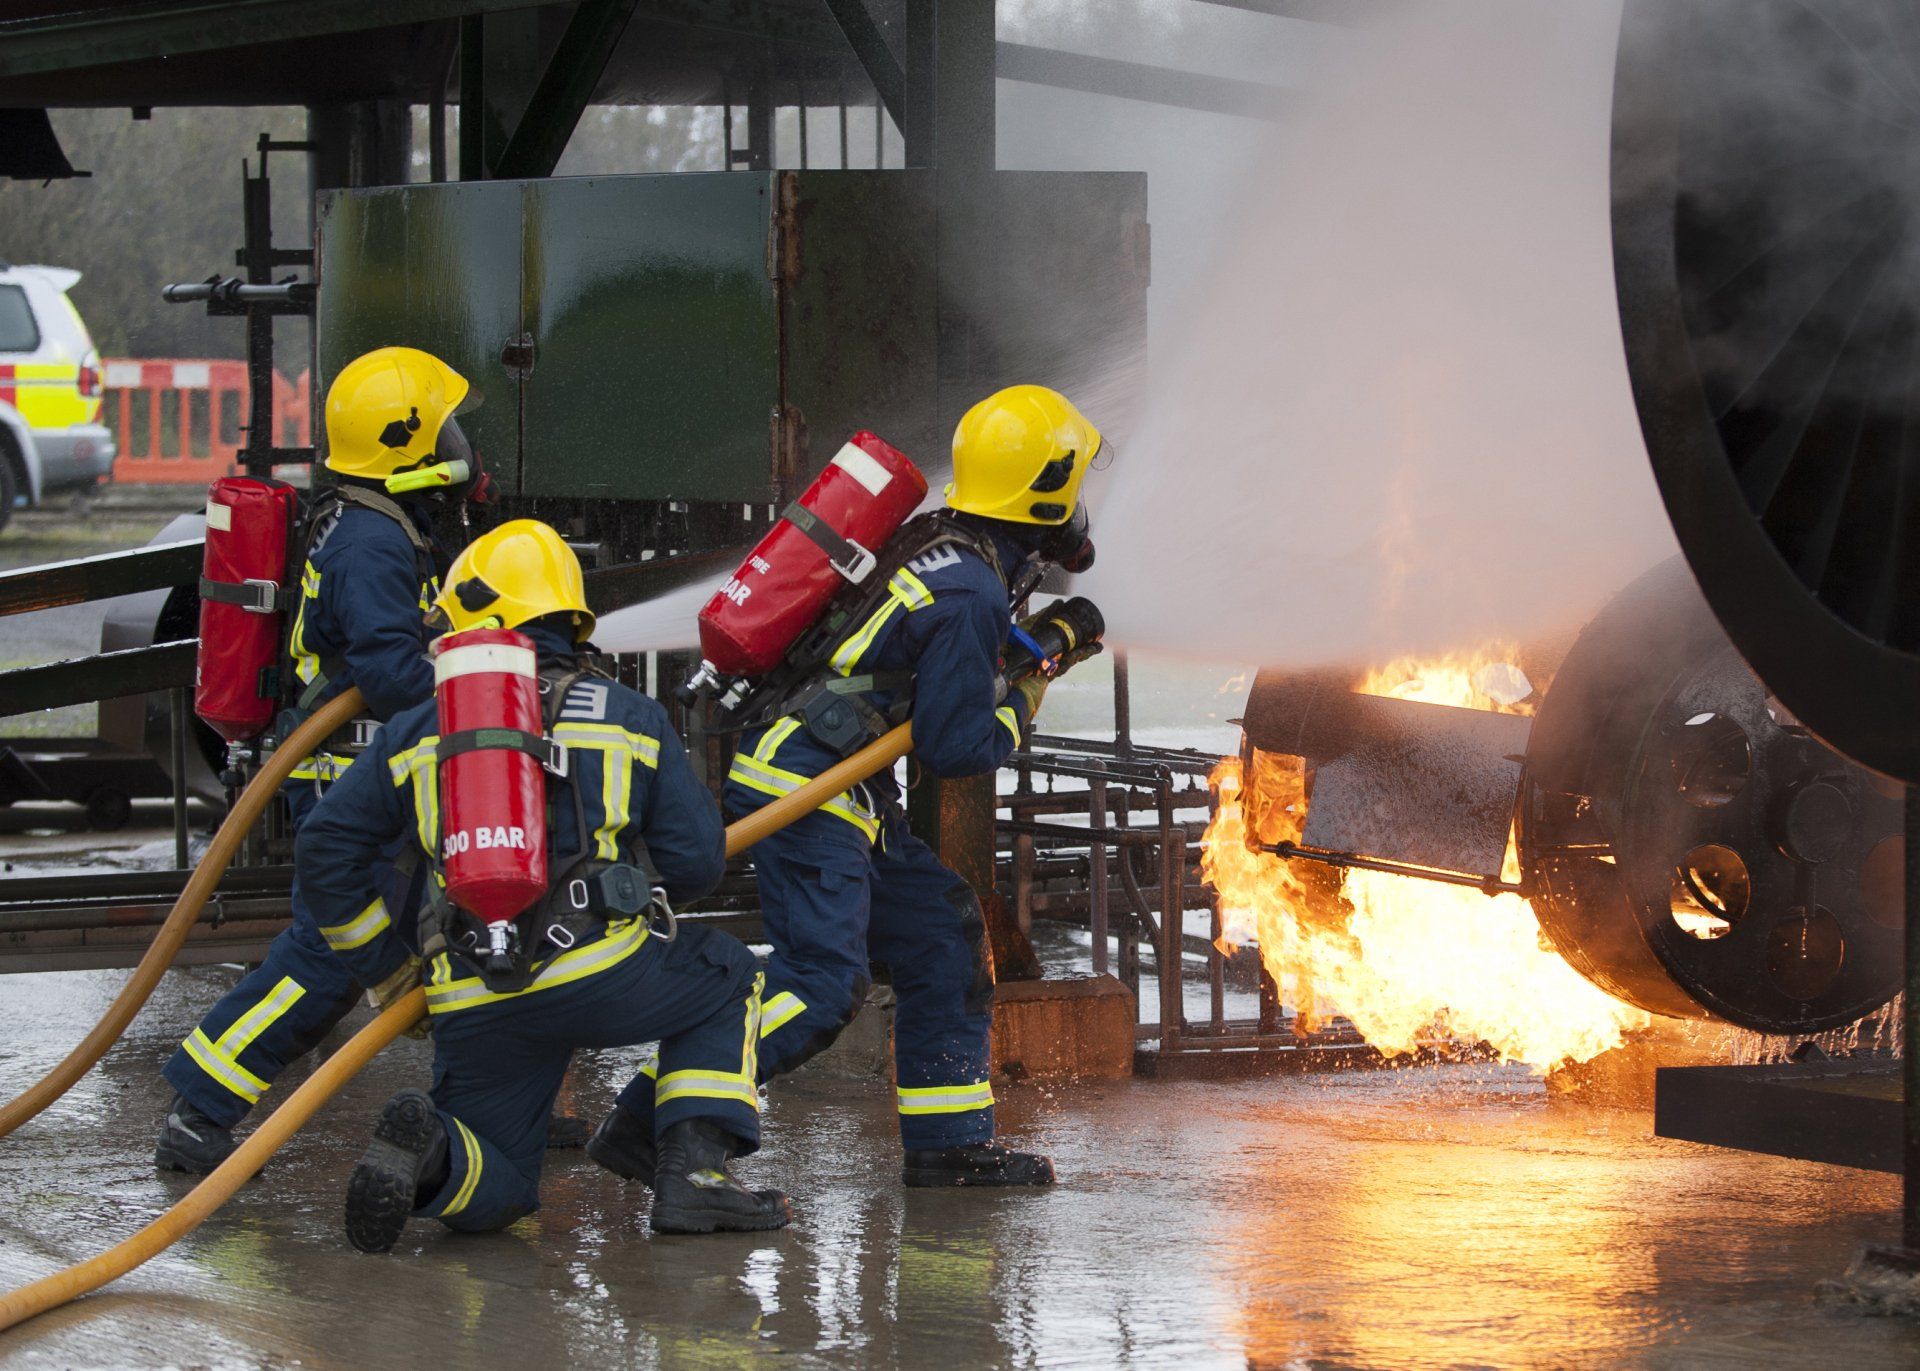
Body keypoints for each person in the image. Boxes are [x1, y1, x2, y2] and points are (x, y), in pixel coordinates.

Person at [586, 384, 1104, 1190]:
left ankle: (948, 1142)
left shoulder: (948, 545)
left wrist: (1028, 645)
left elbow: (932, 664)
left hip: (840, 787)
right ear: (1044, 495)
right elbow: (958, 742)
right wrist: (1041, 676)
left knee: (940, 931)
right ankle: (652, 1113)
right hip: (808, 787)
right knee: (823, 987)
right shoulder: (970, 585)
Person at [301, 520, 786, 1251]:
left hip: (472, 993)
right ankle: (695, 1176)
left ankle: (435, 1155)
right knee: (726, 972)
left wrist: (392, 970)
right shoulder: (631, 716)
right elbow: (698, 863)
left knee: (500, 1187)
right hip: (605, 975)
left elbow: (325, 844)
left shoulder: (419, 727)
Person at [156, 346, 484, 1173]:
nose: (458, 438)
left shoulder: (361, 518)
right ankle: (202, 1103)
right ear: (404, 441)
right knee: (335, 954)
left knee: (451, 935)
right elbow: (389, 673)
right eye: (442, 424)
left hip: (366, 784)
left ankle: (485, 1103)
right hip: (351, 791)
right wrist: (475, 692)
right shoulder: (371, 541)